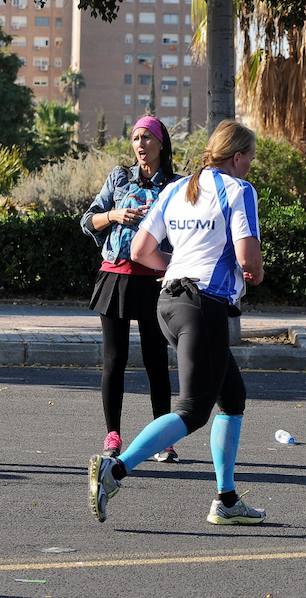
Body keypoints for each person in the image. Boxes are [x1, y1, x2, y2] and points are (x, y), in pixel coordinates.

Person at [88, 120, 266, 525]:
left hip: (169, 300)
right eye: (250, 159)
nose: (251, 167)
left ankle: (226, 499)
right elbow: (247, 260)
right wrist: (254, 273)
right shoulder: (239, 190)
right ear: (237, 157)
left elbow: (139, 249)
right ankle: (115, 469)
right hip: (203, 307)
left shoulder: (177, 188)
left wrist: (177, 268)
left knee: (232, 398)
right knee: (192, 410)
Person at [79, 116, 179, 463]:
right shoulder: (119, 178)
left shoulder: (176, 186)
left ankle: (162, 439)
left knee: (156, 360)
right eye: (135, 138)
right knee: (114, 360)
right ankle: (113, 437)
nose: (140, 144)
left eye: (147, 138)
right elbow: (87, 220)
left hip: (154, 280)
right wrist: (114, 215)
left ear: (161, 143)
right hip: (116, 276)